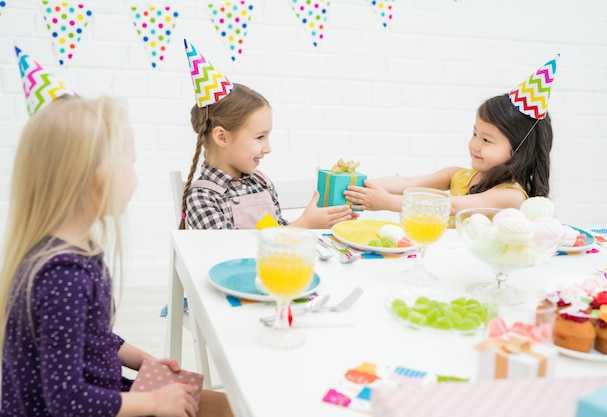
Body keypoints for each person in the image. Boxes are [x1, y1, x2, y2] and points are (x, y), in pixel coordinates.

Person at [0, 96, 233, 417]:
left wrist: (142, 360)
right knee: (225, 409)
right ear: (99, 175)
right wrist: (154, 402)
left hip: (103, 393)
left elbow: (89, 335)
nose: (135, 176)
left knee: (226, 407)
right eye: (131, 162)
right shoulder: (63, 276)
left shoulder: (75, 250)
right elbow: (66, 401)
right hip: (88, 405)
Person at [344, 56, 558, 219]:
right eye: (475, 134)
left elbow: (451, 206)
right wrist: (359, 186)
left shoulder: (511, 196)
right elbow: (408, 182)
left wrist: (387, 202)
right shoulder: (457, 175)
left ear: (519, 149)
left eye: (486, 140)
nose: (474, 144)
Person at [180, 39, 357, 230]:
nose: (268, 148)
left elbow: (278, 230)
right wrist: (303, 225)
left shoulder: (261, 182)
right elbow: (233, 253)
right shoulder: (203, 197)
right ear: (222, 137)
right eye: (259, 137)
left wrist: (320, 224)